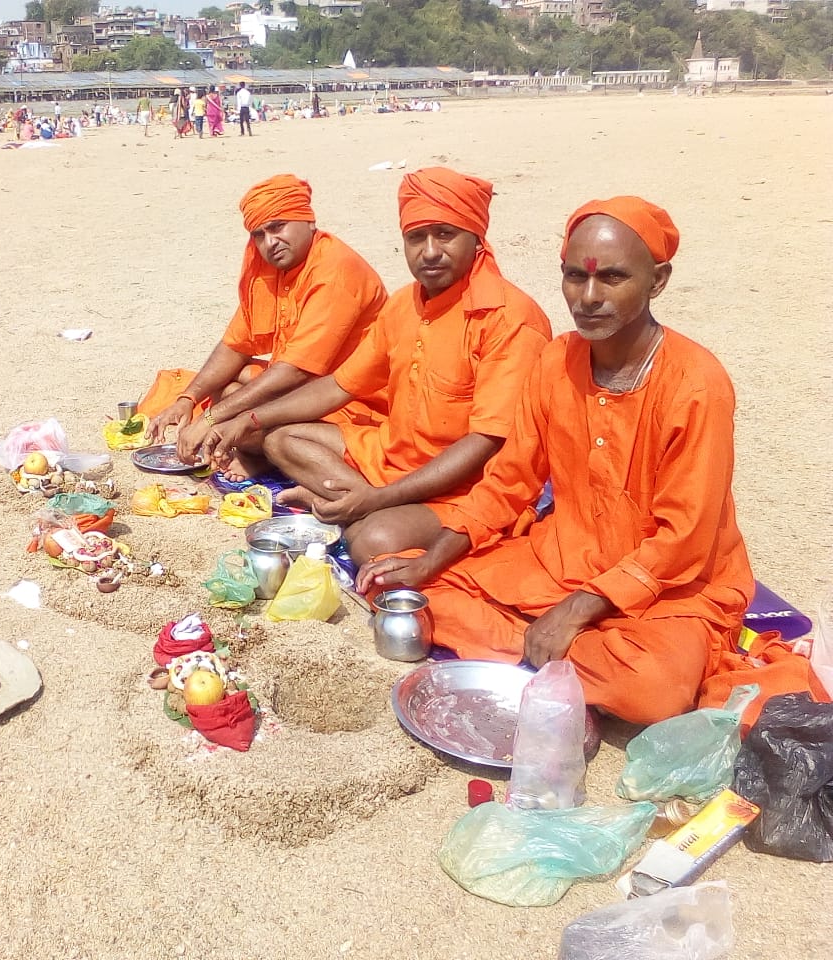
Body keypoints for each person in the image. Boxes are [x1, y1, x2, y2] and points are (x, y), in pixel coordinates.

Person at [355, 197, 830, 725]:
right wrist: (427, 563)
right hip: (562, 558)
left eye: (612, 278)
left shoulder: (697, 385)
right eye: (573, 277)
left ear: (658, 280)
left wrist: (579, 609)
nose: (587, 297)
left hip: (673, 585)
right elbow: (508, 484)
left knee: (654, 691)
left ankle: (539, 642)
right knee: (409, 590)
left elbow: (684, 539)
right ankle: (546, 645)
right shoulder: (555, 361)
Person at [209, 168, 550, 562]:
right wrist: (249, 420)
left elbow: (487, 442)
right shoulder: (404, 305)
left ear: (476, 239)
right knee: (278, 439)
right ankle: (359, 501)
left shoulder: (510, 320)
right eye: (416, 238)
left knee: (370, 541)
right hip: (392, 454)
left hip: (468, 485)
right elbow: (339, 386)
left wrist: (378, 499)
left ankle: (366, 506)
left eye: (445, 234)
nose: (430, 251)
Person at [146, 174, 388, 480]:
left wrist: (209, 418)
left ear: (309, 221)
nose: (270, 242)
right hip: (305, 387)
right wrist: (187, 399)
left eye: (277, 227)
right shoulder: (270, 269)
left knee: (239, 419)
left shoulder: (336, 271)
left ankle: (268, 456)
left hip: (356, 403)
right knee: (226, 388)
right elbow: (235, 345)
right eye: (259, 234)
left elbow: (296, 371)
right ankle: (261, 453)